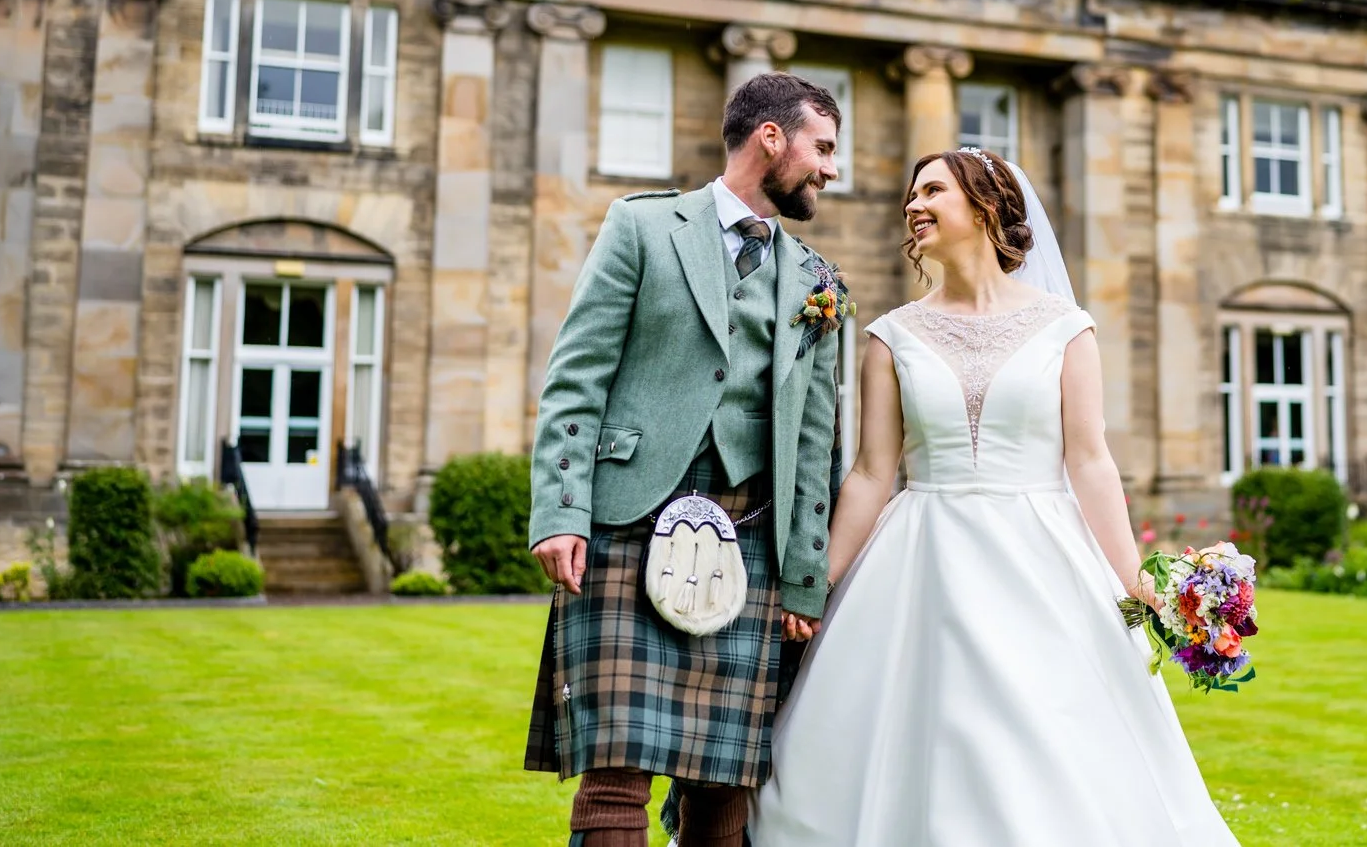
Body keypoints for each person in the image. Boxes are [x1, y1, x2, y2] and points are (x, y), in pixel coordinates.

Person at [751, 147, 1239, 846]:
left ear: (985, 203)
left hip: (1043, 554)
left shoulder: (1066, 327)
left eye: (932, 191)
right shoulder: (891, 336)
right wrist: (816, 581)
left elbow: (1092, 462)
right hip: (918, 559)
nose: (913, 206)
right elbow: (869, 473)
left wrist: (1136, 581)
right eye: (910, 197)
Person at [525, 72, 848, 847]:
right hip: (625, 518)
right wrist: (560, 510)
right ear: (772, 137)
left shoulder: (818, 281)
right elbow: (578, 376)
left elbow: (815, 445)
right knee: (615, 769)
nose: (832, 169)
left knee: (725, 778)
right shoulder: (641, 227)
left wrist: (805, 574)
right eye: (824, 146)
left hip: (752, 533)